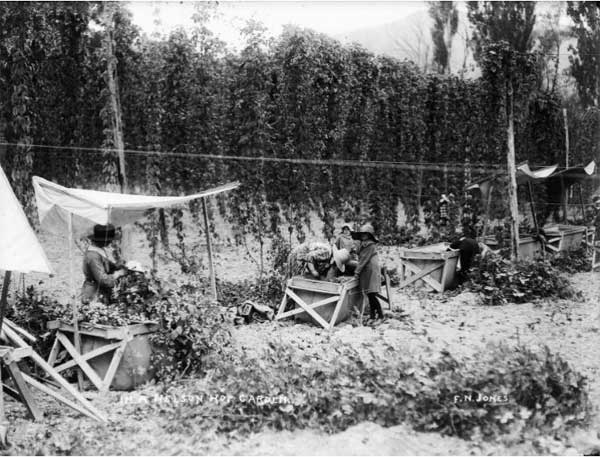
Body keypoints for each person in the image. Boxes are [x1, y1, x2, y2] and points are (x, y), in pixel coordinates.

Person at [81, 224, 127, 304]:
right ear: (102, 240)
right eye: (109, 240)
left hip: (101, 291)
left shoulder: (99, 250)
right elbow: (103, 280)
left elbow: (107, 265)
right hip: (94, 292)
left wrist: (119, 265)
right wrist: (118, 274)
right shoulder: (93, 256)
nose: (110, 242)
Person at [351, 223, 383, 320]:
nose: (363, 236)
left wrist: (356, 272)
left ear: (369, 235)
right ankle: (373, 315)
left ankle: (380, 315)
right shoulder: (364, 244)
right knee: (370, 294)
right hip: (369, 269)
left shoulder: (370, 245)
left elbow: (363, 260)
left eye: (365, 234)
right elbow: (360, 254)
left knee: (372, 294)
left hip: (371, 270)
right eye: (362, 234)